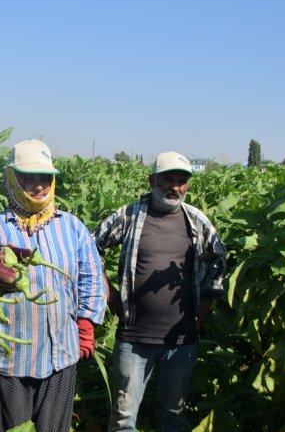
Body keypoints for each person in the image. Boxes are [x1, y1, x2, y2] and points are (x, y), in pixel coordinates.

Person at [0, 139, 108, 432]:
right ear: (13, 178)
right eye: (28, 178)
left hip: (61, 355)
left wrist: (86, 322)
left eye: (45, 178)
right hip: (10, 358)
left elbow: (92, 276)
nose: (39, 186)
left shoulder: (72, 227)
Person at [93, 151, 227, 432]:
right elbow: (90, 246)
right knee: (123, 417)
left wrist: (204, 307)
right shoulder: (129, 216)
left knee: (175, 413)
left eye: (182, 181)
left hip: (181, 339)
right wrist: (109, 292)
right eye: (169, 179)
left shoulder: (196, 221)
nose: (175, 187)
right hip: (134, 336)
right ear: (152, 179)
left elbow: (218, 259)